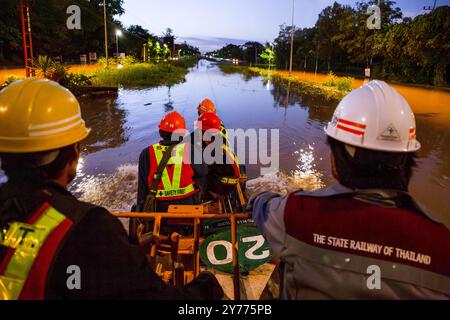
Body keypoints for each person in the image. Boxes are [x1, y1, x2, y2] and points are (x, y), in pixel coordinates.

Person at [0, 78, 223, 300]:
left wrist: (135, 237)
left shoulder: (147, 153)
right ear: (74, 152)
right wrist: (205, 288)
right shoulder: (90, 226)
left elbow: (143, 191)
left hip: (158, 214)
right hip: (186, 212)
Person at [250, 80, 450, 299]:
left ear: (336, 159)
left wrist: (263, 196)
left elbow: (260, 207)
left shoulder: (295, 214)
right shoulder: (441, 246)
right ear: (408, 160)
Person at [137, 111, 199, 213]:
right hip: (187, 205)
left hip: (159, 209)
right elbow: (203, 172)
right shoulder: (190, 149)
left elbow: (142, 188)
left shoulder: (146, 153)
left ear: (160, 132)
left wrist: (141, 210)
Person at [195, 112, 240, 200]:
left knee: (196, 175)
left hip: (223, 187)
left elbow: (202, 171)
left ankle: (212, 194)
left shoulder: (213, 150)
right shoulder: (219, 143)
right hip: (227, 182)